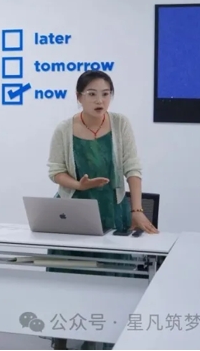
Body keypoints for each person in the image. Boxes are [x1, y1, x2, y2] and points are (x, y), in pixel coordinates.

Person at [46, 71, 158, 350]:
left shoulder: (120, 124)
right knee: (69, 277)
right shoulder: (64, 129)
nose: (100, 100)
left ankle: (98, 337)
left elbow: (132, 167)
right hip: (73, 211)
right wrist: (79, 185)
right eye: (92, 94)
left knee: (109, 279)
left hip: (112, 209)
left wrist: (136, 209)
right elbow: (55, 171)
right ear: (79, 97)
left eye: (106, 94)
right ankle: (61, 336)